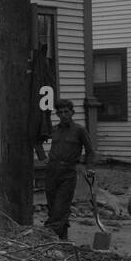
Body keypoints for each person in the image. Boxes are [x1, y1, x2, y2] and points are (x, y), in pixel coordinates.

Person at [43, 98, 96, 240]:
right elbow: (37, 140)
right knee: (53, 207)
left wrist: (89, 168)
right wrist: (42, 157)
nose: (63, 115)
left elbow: (90, 150)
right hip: (52, 172)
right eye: (60, 112)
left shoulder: (79, 130)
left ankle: (47, 235)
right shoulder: (54, 129)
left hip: (68, 172)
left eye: (66, 111)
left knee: (61, 206)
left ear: (72, 112)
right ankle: (63, 239)